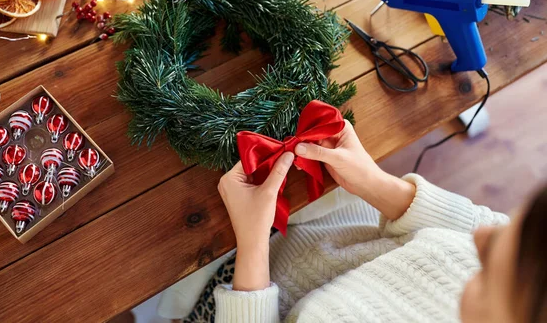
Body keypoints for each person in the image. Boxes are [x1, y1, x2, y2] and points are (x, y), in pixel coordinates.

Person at [186, 120, 546, 322]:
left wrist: (252, 245)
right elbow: (476, 222)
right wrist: (375, 183)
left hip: (242, 292)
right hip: (347, 225)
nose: (480, 236)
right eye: (506, 227)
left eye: (488, 267)